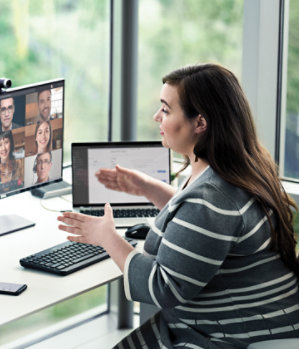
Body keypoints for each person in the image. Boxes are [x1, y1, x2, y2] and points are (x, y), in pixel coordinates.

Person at [58, 64, 299, 348]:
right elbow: (207, 226)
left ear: (200, 123)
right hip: (267, 322)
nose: (156, 117)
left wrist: (106, 237)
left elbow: (164, 288)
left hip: (233, 335)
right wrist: (150, 189)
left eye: (166, 110)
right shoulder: (240, 169)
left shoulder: (211, 199)